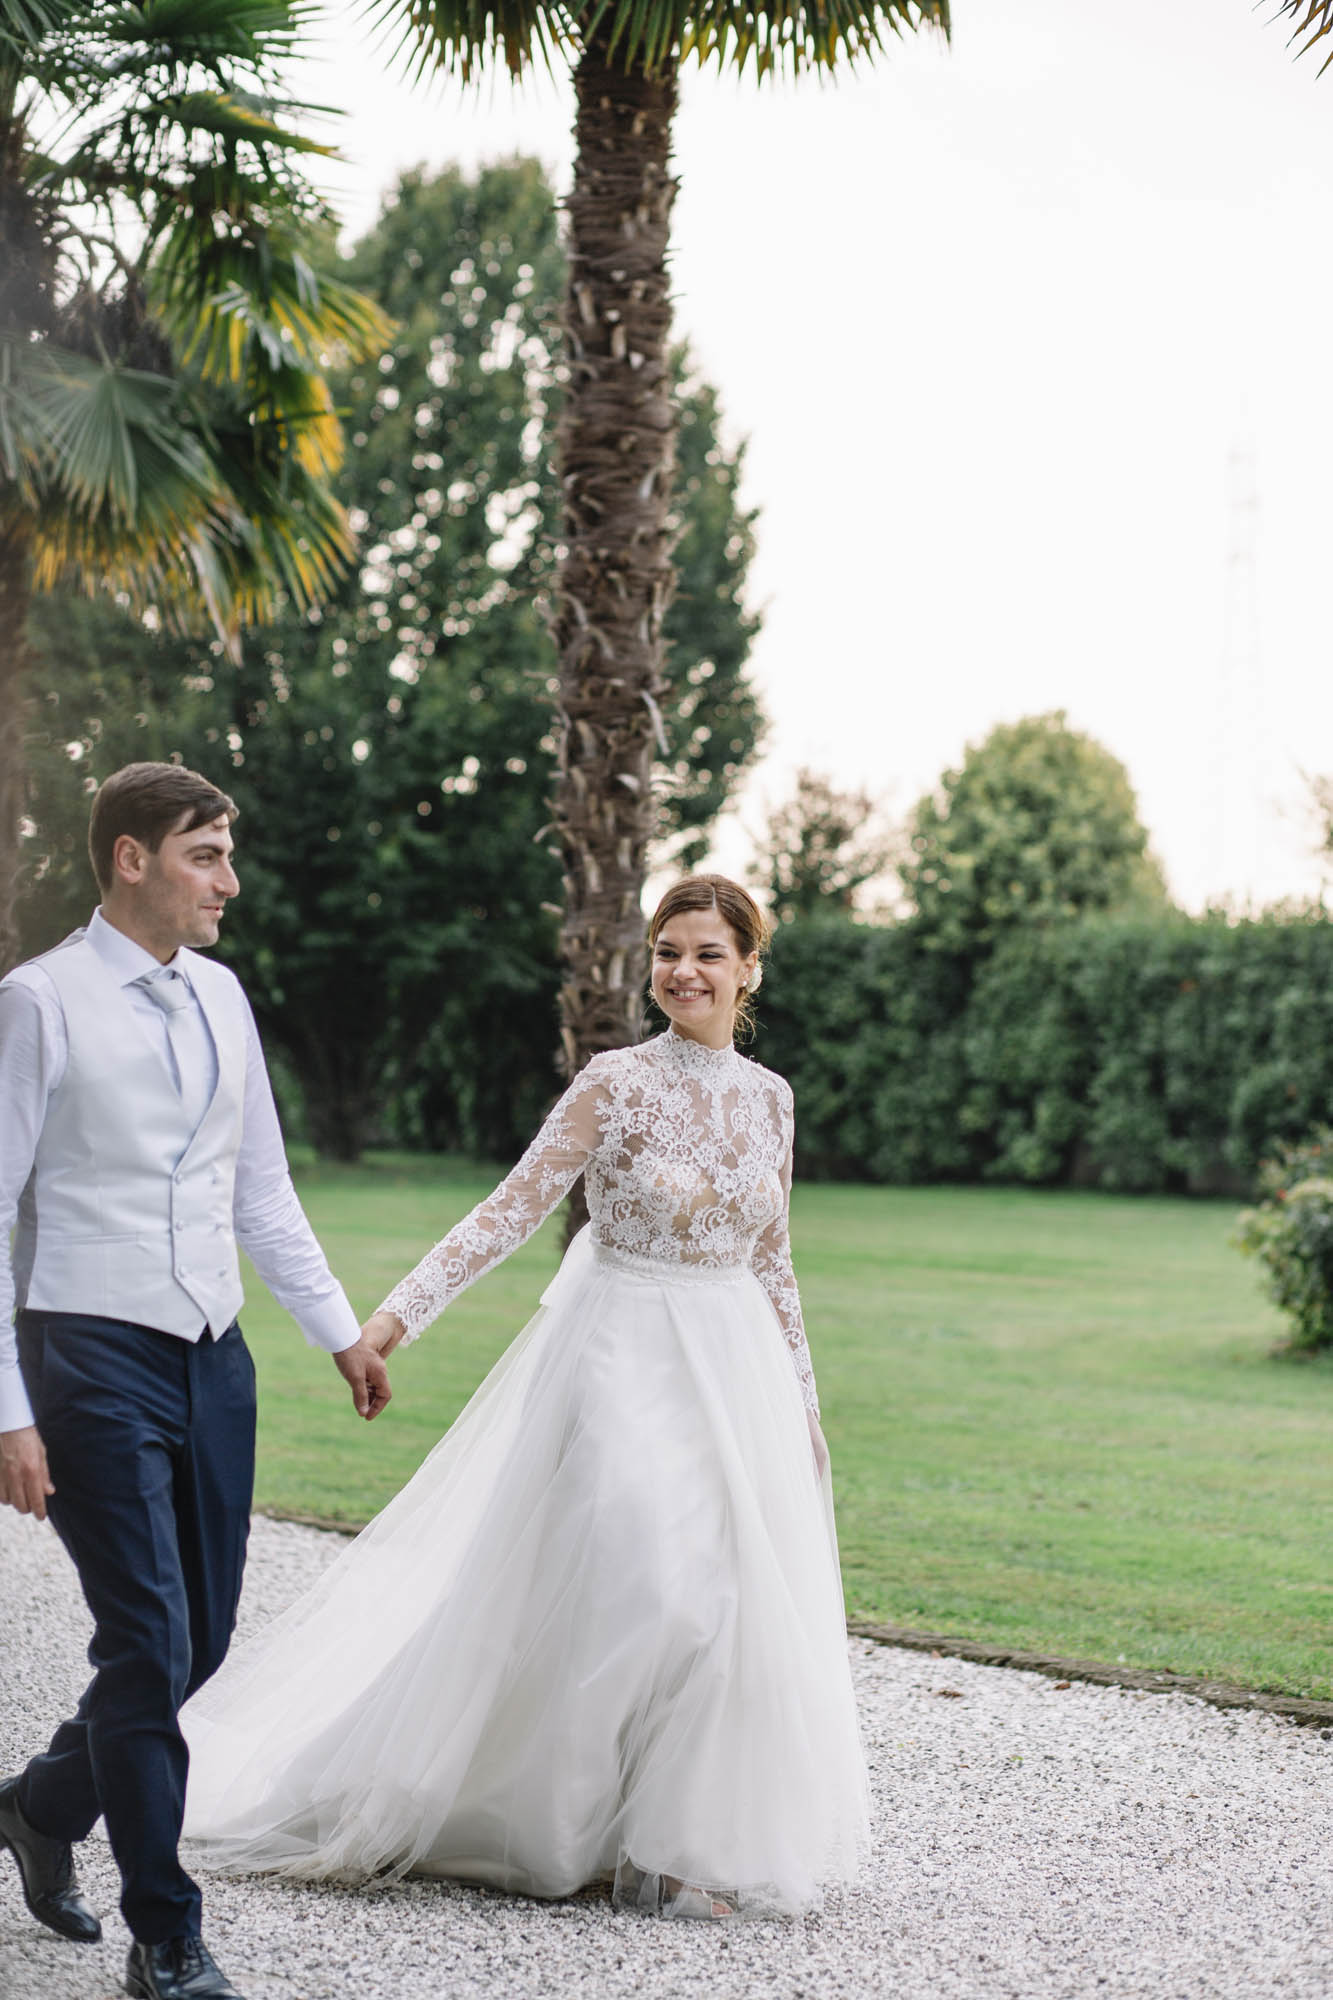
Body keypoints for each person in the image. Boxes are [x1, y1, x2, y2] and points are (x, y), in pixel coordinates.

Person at [182, 874, 869, 1920]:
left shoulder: (770, 1097)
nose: (682, 970)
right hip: (622, 1346)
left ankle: (667, 1846)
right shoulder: (615, 1081)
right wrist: (389, 1319)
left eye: (706, 953)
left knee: (724, 1603)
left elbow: (774, 1260)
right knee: (649, 1574)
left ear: (749, 968)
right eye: (666, 951)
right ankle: (553, 1819)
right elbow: (508, 1210)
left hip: (737, 1367)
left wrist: (804, 1399)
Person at [0, 763, 392, 2000]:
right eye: (205, 854)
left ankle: (40, 1800)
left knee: (200, 1635)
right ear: (130, 858)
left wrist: (339, 1332)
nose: (229, 879)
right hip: (86, 1347)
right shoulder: (39, 1001)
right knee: (147, 1631)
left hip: (212, 1352)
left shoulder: (224, 998)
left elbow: (258, 1189)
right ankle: (166, 1931)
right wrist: (7, 1406)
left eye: (228, 854)